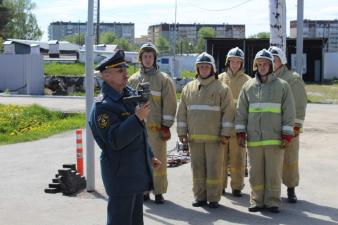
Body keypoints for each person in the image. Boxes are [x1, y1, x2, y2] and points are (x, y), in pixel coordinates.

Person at [88, 49, 161, 225]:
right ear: (106, 75)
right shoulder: (103, 107)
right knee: (120, 220)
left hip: (134, 172)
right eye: (120, 71)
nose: (126, 74)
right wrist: (137, 118)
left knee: (135, 221)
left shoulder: (126, 94)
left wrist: (150, 156)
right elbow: (115, 140)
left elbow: (139, 134)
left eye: (125, 70)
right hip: (120, 175)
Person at [235, 49, 295, 213]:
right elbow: (241, 111)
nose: (262, 67)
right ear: (255, 66)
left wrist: (287, 135)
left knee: (273, 173)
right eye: (259, 64)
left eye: (265, 64)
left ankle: (273, 202)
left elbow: (289, 112)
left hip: (274, 139)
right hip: (254, 140)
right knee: (255, 173)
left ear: (271, 66)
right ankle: (256, 201)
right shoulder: (248, 87)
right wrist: (240, 133)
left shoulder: (282, 86)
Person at [177, 52, 234, 208]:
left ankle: (214, 198)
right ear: (197, 68)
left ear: (212, 69)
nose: (203, 69)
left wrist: (225, 134)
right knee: (197, 170)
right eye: (201, 67)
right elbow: (182, 112)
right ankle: (200, 197)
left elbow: (228, 113)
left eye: (206, 67)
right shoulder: (188, 88)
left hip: (215, 140)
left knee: (214, 169)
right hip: (195, 139)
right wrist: (182, 132)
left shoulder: (222, 89)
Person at [128, 42, 177, 204]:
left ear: (154, 58)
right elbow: (127, 104)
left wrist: (166, 126)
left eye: (150, 56)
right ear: (140, 58)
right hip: (137, 129)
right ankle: (143, 191)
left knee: (158, 160)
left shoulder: (164, 79)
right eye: (145, 56)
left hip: (156, 130)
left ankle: (158, 192)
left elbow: (170, 103)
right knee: (139, 161)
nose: (148, 59)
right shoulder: (133, 79)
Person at [268, 46, 307, 203]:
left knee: (290, 160)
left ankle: (291, 189)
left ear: (282, 60)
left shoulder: (293, 79)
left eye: (275, 59)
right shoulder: (266, 78)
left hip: (289, 128)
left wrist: (296, 127)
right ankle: (272, 191)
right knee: (272, 161)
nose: (272, 62)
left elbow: (300, 105)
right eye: (270, 59)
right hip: (270, 128)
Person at [219, 47, 251, 197]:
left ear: (242, 63)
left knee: (238, 159)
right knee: (221, 159)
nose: (235, 65)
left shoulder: (248, 81)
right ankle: (220, 186)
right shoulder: (219, 79)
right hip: (222, 127)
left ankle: (237, 187)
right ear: (228, 62)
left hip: (239, 128)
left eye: (238, 62)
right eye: (233, 61)